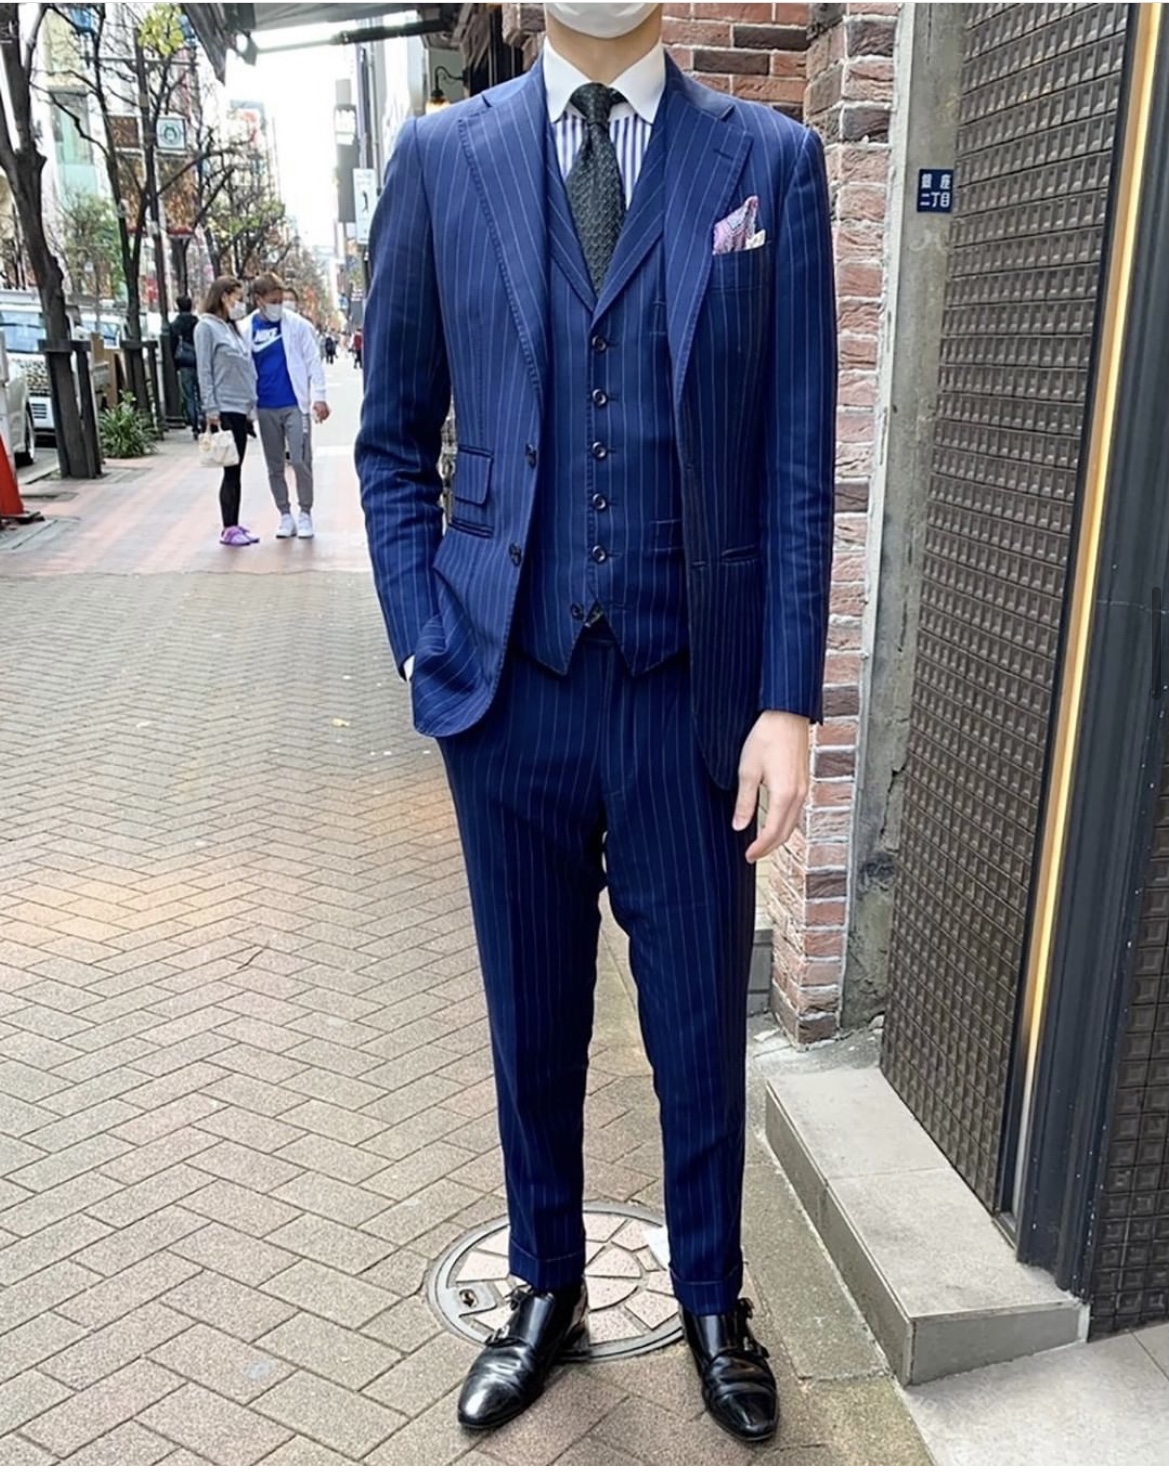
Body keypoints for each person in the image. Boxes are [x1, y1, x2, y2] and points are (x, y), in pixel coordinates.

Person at [358, 0, 836, 1443]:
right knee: (533, 1022)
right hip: (510, 694)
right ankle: (545, 1285)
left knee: (698, 1027)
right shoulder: (440, 159)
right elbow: (392, 438)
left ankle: (711, 1297)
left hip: (692, 698)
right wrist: (424, 642)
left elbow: (796, 455)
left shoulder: (771, 162)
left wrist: (787, 697)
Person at [245, 272, 330, 541]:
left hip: (295, 405)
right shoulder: (246, 329)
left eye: (280, 300)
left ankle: (305, 512)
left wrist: (320, 397)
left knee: (301, 460)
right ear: (259, 300)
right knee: (274, 465)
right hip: (265, 406)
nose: (278, 306)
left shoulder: (297, 326)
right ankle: (284, 514)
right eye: (273, 301)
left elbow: (313, 361)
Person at [195, 277, 258, 548]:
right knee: (231, 468)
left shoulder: (231, 329)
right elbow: (204, 369)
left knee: (237, 467)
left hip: (240, 407)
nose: (240, 304)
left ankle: (234, 522)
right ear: (224, 296)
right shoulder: (206, 328)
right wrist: (211, 408)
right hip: (224, 407)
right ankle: (228, 527)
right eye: (237, 298)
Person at [170, 294, 202, 438]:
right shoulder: (197, 322)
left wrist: (175, 363)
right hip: (199, 362)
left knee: (189, 396)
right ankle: (203, 420)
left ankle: (194, 425)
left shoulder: (175, 325)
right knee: (201, 394)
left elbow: (172, 346)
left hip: (184, 363)